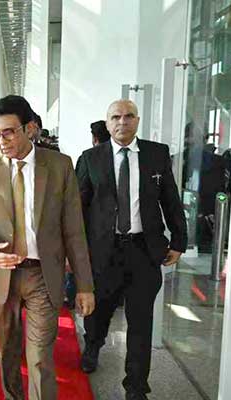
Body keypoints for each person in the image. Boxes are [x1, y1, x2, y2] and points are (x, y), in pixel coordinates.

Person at [0, 95, 95, 400]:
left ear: (31, 128)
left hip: (43, 274)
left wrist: (84, 285)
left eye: (9, 132)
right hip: (1, 273)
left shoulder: (59, 166)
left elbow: (74, 229)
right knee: (7, 351)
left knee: (39, 357)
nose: (1, 140)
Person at [76, 99, 187, 400]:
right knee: (98, 312)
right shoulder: (90, 158)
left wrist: (179, 240)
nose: (122, 122)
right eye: (115, 117)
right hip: (104, 252)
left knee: (140, 322)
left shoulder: (156, 154)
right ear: (107, 122)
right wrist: (76, 254)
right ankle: (93, 345)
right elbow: (77, 210)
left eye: (128, 117)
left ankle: (136, 387)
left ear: (137, 120)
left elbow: (170, 200)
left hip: (143, 251)